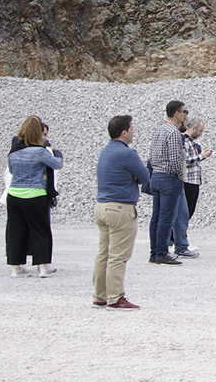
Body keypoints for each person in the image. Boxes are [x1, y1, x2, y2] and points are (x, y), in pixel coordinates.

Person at [93, 115, 150, 309]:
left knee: (103, 254)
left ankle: (100, 295)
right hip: (120, 208)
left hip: (102, 205)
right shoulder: (128, 154)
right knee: (118, 256)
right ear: (124, 132)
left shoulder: (105, 151)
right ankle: (115, 297)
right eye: (132, 128)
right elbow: (144, 177)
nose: (134, 132)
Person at [6, 116, 63, 278]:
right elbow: (57, 164)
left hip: (14, 194)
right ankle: (42, 266)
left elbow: (11, 171)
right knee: (40, 230)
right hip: (35, 194)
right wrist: (57, 153)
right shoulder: (39, 151)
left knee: (15, 230)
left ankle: (16, 268)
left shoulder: (13, 152)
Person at [145, 100, 189, 266]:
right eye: (184, 112)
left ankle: (154, 252)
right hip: (168, 177)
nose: (185, 115)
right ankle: (162, 252)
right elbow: (175, 158)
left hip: (156, 175)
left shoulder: (158, 130)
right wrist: (179, 176)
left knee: (156, 216)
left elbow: (151, 155)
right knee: (166, 217)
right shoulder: (173, 132)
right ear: (176, 113)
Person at [177, 118, 211, 260]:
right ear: (193, 128)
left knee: (188, 212)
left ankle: (181, 240)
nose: (201, 134)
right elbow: (185, 161)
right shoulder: (183, 140)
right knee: (184, 213)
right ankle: (179, 242)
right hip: (188, 181)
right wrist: (200, 156)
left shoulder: (191, 142)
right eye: (200, 131)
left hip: (194, 181)